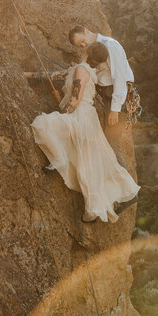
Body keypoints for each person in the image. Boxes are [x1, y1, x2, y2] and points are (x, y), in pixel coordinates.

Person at [31, 42, 139, 223]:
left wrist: (66, 109)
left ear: (87, 51)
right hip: (90, 118)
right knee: (88, 163)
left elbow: (76, 97)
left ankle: (59, 160)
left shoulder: (82, 69)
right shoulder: (91, 71)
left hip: (80, 115)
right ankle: (92, 210)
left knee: (41, 124)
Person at [68, 25, 136, 172]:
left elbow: (120, 78)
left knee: (112, 143)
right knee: (108, 142)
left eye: (83, 41)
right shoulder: (95, 50)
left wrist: (115, 110)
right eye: (80, 45)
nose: (84, 45)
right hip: (107, 98)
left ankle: (128, 191)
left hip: (118, 99)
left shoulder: (111, 46)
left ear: (86, 31)